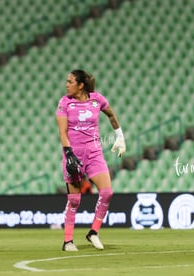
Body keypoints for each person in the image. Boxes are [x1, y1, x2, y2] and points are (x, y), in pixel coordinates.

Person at [56, 69, 126, 251]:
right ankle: (68, 241)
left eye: (70, 82)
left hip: (95, 153)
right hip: (74, 154)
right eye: (67, 81)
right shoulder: (64, 103)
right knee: (74, 200)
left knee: (107, 192)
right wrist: (69, 153)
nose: (66, 84)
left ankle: (93, 232)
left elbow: (111, 114)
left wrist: (120, 136)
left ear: (80, 86)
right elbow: (62, 132)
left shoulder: (97, 100)